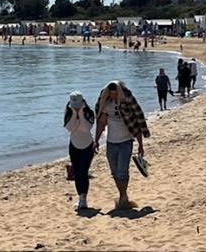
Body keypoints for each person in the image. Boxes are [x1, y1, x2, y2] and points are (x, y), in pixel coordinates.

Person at [94, 81, 150, 210]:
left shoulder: (127, 102)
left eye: (115, 94)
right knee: (115, 172)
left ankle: (123, 197)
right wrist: (96, 141)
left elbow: (137, 122)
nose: (113, 97)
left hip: (126, 141)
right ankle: (123, 196)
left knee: (122, 171)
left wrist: (141, 145)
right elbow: (101, 124)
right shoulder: (105, 104)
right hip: (111, 142)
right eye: (111, 94)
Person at [63, 91, 96, 211]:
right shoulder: (68, 112)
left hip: (87, 145)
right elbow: (70, 128)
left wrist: (80, 113)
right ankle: (81, 197)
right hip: (74, 145)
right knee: (77, 173)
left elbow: (87, 127)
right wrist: (73, 114)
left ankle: (84, 198)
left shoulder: (88, 112)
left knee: (83, 171)